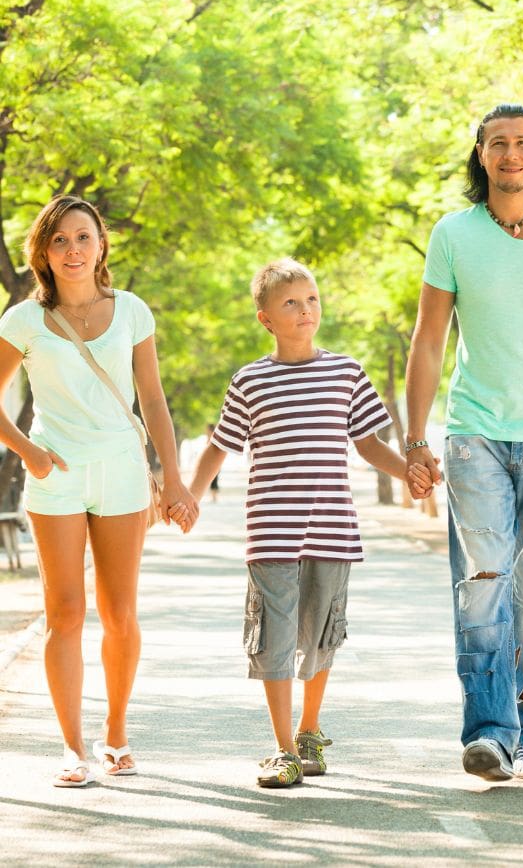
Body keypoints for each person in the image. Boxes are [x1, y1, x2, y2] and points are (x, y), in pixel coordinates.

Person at [183, 257, 433, 788]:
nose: (305, 310)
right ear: (265, 318)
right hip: (270, 529)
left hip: (332, 528)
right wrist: (191, 497)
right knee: (273, 635)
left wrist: (410, 468)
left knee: (321, 633)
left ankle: (309, 730)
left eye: (312, 299)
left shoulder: (345, 372)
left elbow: (368, 443)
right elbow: (220, 446)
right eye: (290, 303)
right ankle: (281, 750)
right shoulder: (249, 380)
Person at [404, 103, 523, 782]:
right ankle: (490, 733)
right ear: (481, 155)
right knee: (482, 584)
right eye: (498, 144)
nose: (511, 154)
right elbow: (429, 341)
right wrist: (414, 436)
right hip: (475, 437)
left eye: (522, 142)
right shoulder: (454, 234)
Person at [0, 195, 198, 787]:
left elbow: (153, 399)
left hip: (120, 472)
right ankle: (71, 748)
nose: (72, 250)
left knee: (120, 614)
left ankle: (116, 734)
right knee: (64, 614)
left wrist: (174, 478)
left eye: (82, 237)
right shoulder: (23, 321)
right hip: (55, 474)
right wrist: (28, 450)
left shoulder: (132, 311)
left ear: (101, 244)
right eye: (59, 241)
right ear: (43, 251)